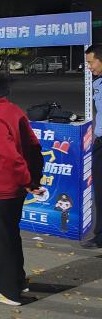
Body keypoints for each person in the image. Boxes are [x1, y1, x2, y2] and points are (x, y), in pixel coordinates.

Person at [0, 72, 43, 306]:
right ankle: (17, 281)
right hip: (14, 187)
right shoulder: (14, 111)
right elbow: (34, 147)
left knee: (1, 240)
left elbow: (10, 155)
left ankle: (7, 290)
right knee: (10, 236)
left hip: (0, 187)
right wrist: (32, 179)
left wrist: (27, 180)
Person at [82, 44, 102, 248]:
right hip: (100, 142)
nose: (89, 66)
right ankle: (100, 235)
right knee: (99, 191)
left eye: (91, 62)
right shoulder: (98, 82)